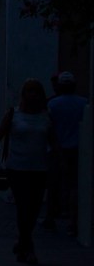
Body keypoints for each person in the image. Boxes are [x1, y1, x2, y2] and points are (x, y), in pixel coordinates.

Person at [0, 78, 58, 264]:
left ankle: (22, 242)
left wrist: (57, 164)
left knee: (34, 209)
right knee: (23, 207)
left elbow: (53, 142)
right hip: (17, 168)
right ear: (24, 94)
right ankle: (28, 248)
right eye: (29, 91)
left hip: (39, 168)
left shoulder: (46, 116)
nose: (32, 94)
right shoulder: (14, 114)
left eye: (36, 91)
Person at [44, 71, 87, 236]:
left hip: (57, 149)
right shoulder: (84, 103)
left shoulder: (52, 105)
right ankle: (73, 221)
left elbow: (49, 128)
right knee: (74, 186)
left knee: (53, 184)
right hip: (78, 150)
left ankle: (50, 218)